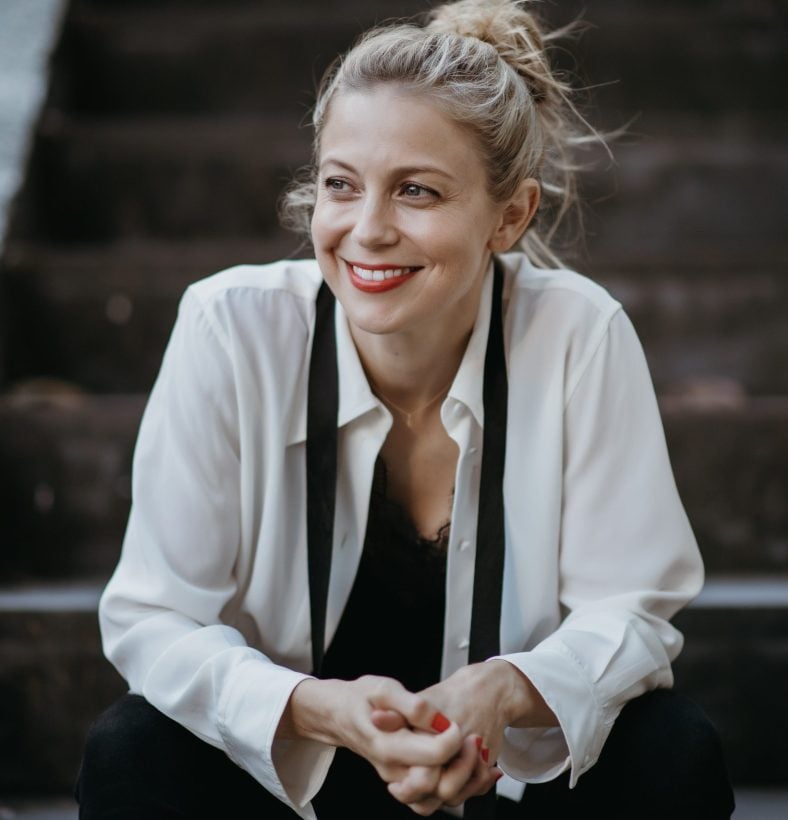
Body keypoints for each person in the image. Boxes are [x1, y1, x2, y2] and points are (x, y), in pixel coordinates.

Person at [75, 1, 735, 818]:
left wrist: (506, 689)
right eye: (341, 185)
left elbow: (632, 610)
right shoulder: (230, 328)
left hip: (499, 786)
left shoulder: (578, 334)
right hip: (299, 794)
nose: (368, 230)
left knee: (673, 749)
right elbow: (155, 619)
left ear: (511, 215)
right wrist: (315, 708)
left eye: (416, 191)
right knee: (130, 749)